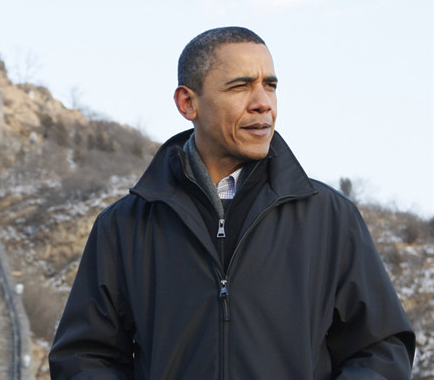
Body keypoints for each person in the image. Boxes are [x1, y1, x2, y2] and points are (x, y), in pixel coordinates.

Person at [49, 27, 415, 379]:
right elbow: (84, 357)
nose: (263, 103)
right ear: (187, 102)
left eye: (270, 85)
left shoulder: (331, 217)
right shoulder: (124, 225)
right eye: (240, 86)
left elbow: (380, 350)